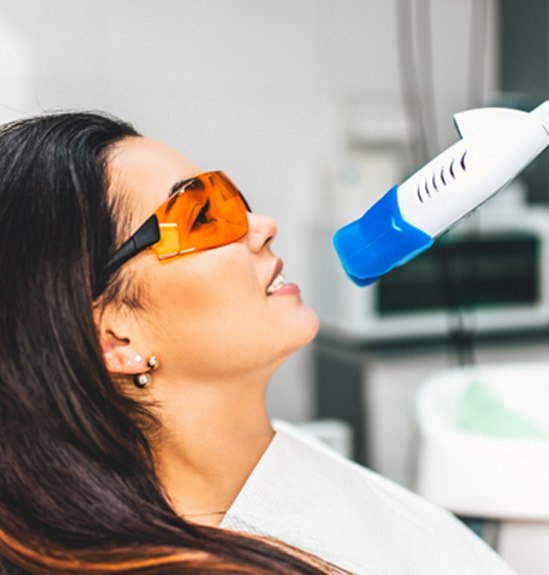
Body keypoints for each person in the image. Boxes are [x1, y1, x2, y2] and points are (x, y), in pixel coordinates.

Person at [0, 111, 516, 575]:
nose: (262, 226)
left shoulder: (284, 456)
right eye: (202, 216)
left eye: (232, 199)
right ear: (115, 339)